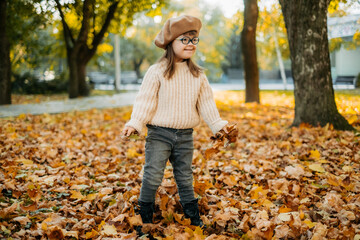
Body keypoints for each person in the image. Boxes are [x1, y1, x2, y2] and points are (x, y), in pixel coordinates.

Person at [122, 15, 228, 231]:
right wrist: (135, 123)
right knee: (152, 175)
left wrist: (218, 125)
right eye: (185, 40)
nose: (191, 44)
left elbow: (206, 104)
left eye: (194, 40)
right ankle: (145, 216)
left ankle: (193, 216)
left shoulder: (198, 75)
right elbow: (145, 101)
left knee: (185, 177)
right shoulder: (157, 72)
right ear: (171, 43)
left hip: (185, 136)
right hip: (159, 134)